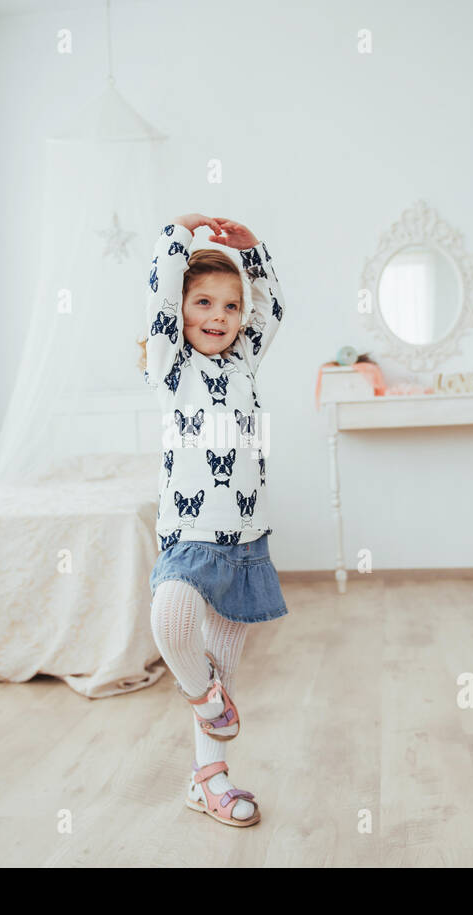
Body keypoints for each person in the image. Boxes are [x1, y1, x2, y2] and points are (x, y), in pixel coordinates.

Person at [140, 213, 288, 827]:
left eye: (230, 306)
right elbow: (160, 288)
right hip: (189, 532)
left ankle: (211, 781)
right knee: (172, 621)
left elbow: (272, 308)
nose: (220, 316)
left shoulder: (246, 361)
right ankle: (203, 697)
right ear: (181, 310)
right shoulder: (170, 366)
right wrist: (179, 232)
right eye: (203, 302)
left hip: (245, 542)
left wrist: (252, 250)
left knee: (224, 663)